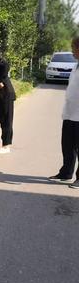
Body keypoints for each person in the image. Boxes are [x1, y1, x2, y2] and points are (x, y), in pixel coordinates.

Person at [48, 36, 79, 188]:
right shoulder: (76, 66)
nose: (72, 51)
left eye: (74, 48)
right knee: (67, 145)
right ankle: (66, 172)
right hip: (70, 113)